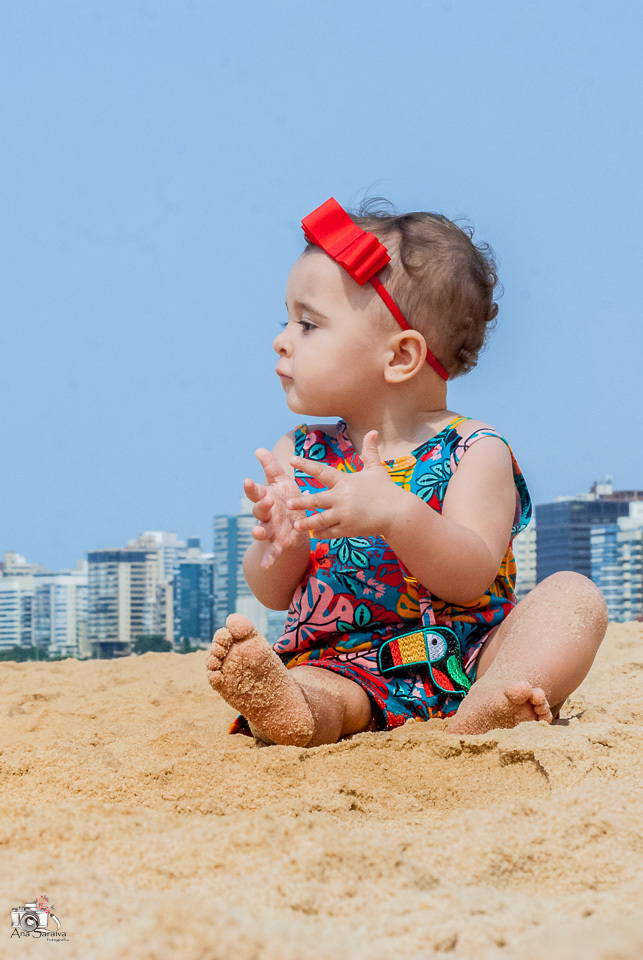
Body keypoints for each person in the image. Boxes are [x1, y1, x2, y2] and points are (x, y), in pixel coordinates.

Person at [206, 197, 608, 747]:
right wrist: (280, 545)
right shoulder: (301, 452)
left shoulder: (473, 449)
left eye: (308, 324)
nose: (282, 339)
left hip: (471, 657)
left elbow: (470, 577)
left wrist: (398, 513)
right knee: (317, 690)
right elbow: (275, 596)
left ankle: (495, 702)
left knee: (573, 597)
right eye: (287, 320)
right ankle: (296, 710)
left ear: (400, 357)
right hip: (342, 664)